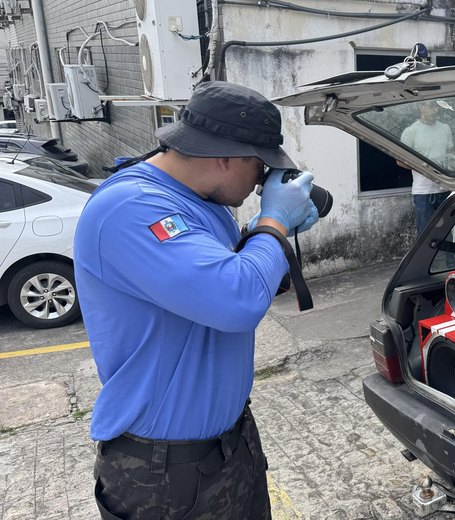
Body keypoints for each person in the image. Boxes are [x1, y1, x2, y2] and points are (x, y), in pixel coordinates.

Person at [74, 81, 319, 520]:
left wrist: (275, 234)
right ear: (225, 156)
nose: (263, 180)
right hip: (163, 470)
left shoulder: (202, 202)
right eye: (260, 165)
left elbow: (237, 278)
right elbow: (236, 299)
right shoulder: (131, 207)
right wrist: (275, 223)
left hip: (231, 444)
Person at [398, 99, 453, 235]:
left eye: (437, 106)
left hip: (445, 188)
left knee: (446, 233)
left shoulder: (445, 128)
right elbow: (400, 161)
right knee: (425, 234)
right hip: (423, 192)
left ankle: (448, 257)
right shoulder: (411, 131)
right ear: (421, 107)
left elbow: (451, 154)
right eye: (431, 106)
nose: (435, 109)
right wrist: (423, 168)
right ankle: (425, 257)